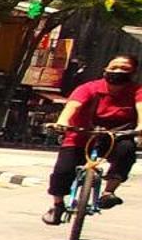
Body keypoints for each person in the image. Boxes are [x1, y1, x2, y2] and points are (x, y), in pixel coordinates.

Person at [43, 54, 138, 223]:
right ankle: (57, 205)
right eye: (114, 67)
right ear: (105, 70)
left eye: (124, 69)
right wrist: (62, 122)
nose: (118, 71)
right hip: (81, 135)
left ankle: (108, 192)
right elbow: (73, 106)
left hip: (116, 136)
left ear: (133, 73)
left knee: (127, 150)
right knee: (63, 170)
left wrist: (139, 128)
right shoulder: (89, 88)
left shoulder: (137, 91)